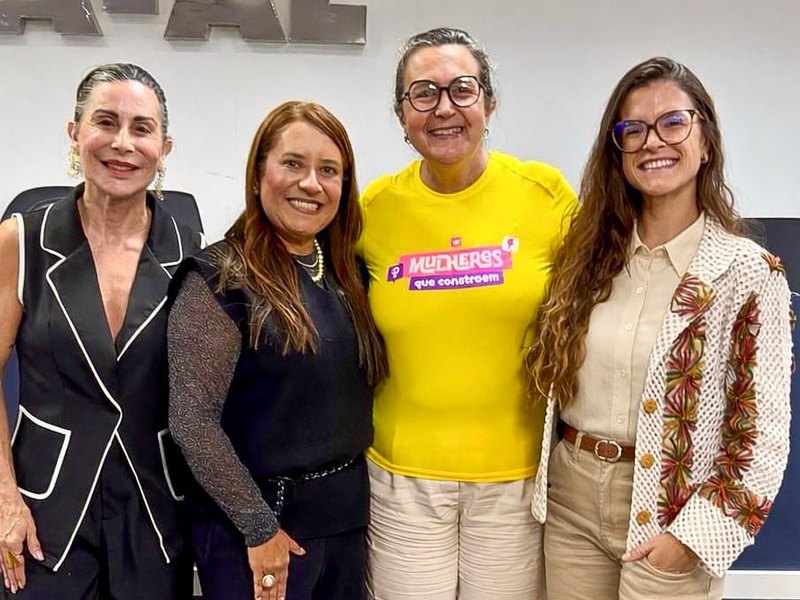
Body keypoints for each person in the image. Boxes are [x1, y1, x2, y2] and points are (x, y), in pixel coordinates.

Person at [527, 56, 793, 600]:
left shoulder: (746, 272)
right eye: (634, 130)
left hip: (673, 509)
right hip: (571, 502)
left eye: (673, 123)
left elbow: (761, 438)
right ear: (617, 149)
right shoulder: (586, 259)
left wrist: (693, 538)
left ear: (706, 140)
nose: (653, 142)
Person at [358, 27, 578, 599]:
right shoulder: (373, 210)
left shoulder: (546, 195)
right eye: (423, 93)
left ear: (489, 103)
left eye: (462, 89)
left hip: (515, 481)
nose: (443, 108)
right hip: (402, 481)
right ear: (401, 115)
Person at [167, 100, 387, 600]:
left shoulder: (350, 274)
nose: (311, 184)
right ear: (258, 173)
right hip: (257, 532)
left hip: (346, 523)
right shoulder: (220, 278)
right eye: (293, 163)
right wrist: (259, 528)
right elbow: (191, 422)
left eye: (328, 170)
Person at [0, 63, 200, 598]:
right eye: (105, 122)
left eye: (142, 128)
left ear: (164, 148)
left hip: (156, 513)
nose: (122, 143)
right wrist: (3, 498)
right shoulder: (21, 241)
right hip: (41, 515)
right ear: (75, 133)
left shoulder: (195, 256)